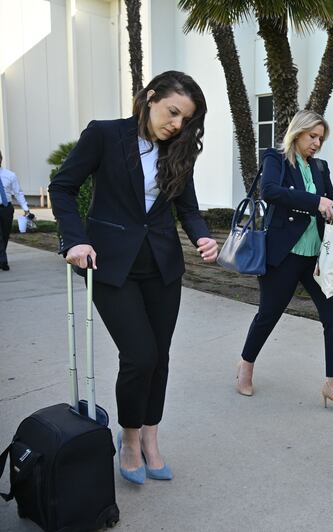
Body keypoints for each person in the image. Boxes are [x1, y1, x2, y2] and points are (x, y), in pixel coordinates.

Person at [49, 71, 219, 485]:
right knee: (139, 355)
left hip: (163, 267)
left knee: (159, 357)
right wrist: (74, 240)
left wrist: (202, 237)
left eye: (185, 120)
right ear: (150, 97)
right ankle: (128, 438)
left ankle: (151, 438)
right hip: (110, 265)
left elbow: (188, 208)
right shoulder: (105, 135)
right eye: (173, 112)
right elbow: (63, 187)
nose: (177, 125)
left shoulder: (179, 150)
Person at [235, 110, 333, 415]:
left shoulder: (320, 167)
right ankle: (246, 365)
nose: (316, 143)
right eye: (312, 136)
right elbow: (271, 192)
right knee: (269, 314)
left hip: (317, 257)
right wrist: (314, 202)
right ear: (297, 132)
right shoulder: (276, 159)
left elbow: (332, 206)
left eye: (321, 138)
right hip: (284, 253)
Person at [0, 149, 31, 271]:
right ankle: (3, 261)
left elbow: (18, 193)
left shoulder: (10, 175)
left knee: (5, 235)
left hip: (6, 208)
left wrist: (25, 208)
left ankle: (1, 256)